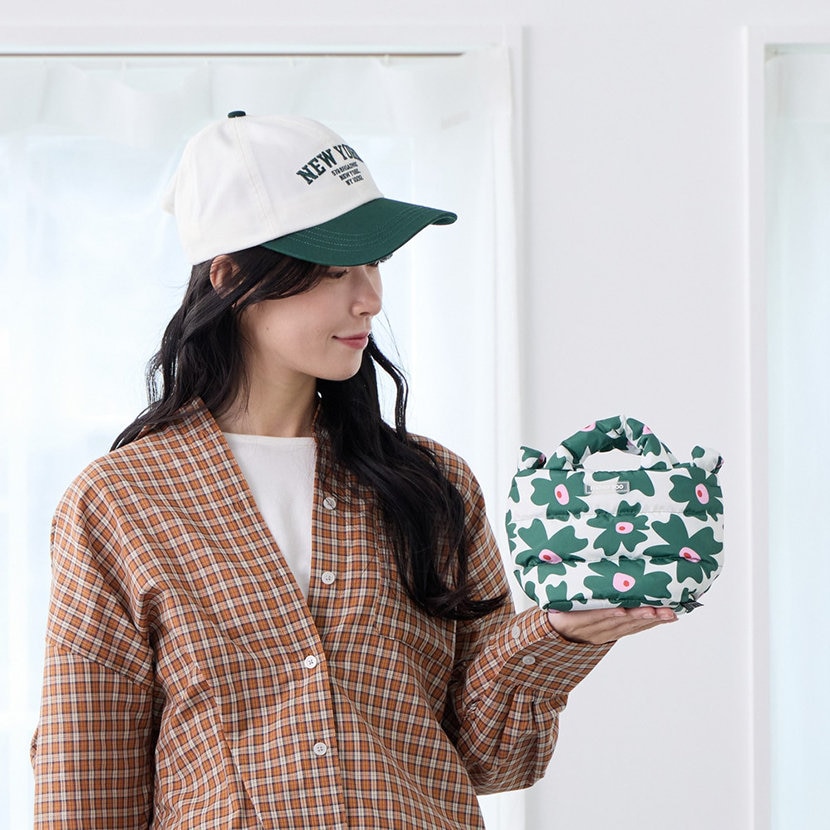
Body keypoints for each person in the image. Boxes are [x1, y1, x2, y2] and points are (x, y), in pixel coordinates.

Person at [31, 112, 676, 829]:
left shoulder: (433, 483)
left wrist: (559, 635)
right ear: (231, 277)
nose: (369, 298)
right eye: (336, 270)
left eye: (374, 264)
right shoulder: (121, 501)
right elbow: (83, 782)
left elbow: (494, 760)